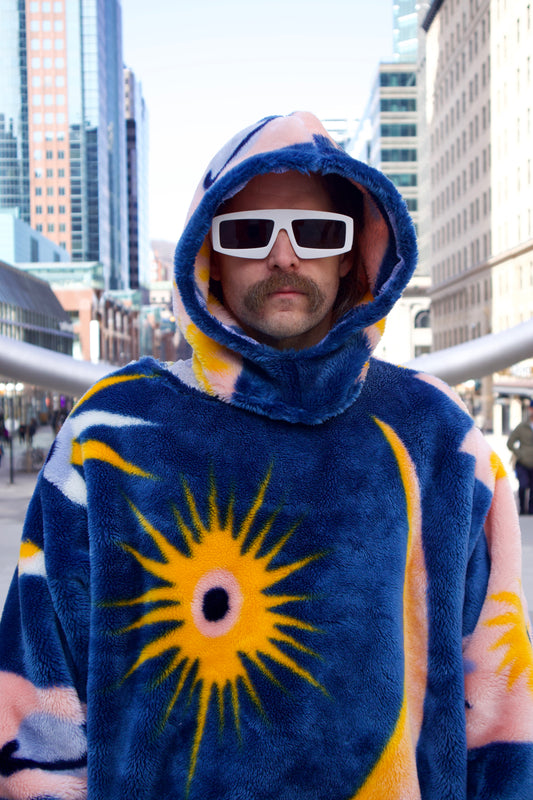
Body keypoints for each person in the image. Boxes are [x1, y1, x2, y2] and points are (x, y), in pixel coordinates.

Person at [1, 112, 532, 800]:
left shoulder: (438, 436)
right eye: (250, 232)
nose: (285, 255)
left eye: (316, 232)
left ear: (353, 253)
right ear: (209, 254)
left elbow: (499, 703)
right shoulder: (110, 432)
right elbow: (36, 707)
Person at [507, 400, 533, 514]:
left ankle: (531, 510)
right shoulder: (522, 427)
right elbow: (510, 443)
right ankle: (522, 508)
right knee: (523, 485)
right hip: (523, 462)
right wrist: (520, 453)